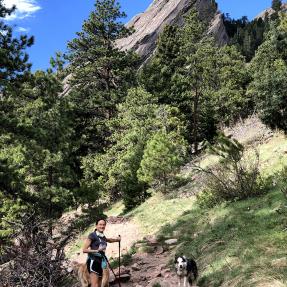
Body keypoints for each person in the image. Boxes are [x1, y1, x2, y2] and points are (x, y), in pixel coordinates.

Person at [83, 218, 121, 287]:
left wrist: (117, 240)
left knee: (100, 284)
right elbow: (84, 250)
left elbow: (108, 240)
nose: (102, 226)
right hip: (93, 261)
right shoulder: (92, 235)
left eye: (104, 225)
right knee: (95, 285)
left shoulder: (102, 236)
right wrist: (97, 250)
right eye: (100, 224)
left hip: (101, 262)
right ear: (96, 226)